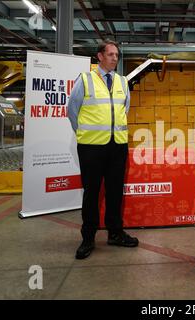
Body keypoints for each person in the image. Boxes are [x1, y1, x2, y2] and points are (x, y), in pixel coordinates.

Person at [68, 40, 138, 260]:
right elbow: (72, 110)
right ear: (99, 56)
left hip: (117, 145)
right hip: (91, 147)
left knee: (115, 191)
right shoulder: (86, 80)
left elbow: (124, 109)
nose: (115, 58)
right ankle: (88, 237)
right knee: (91, 193)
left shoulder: (122, 81)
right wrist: (85, 135)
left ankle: (115, 233)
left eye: (117, 55)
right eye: (110, 54)